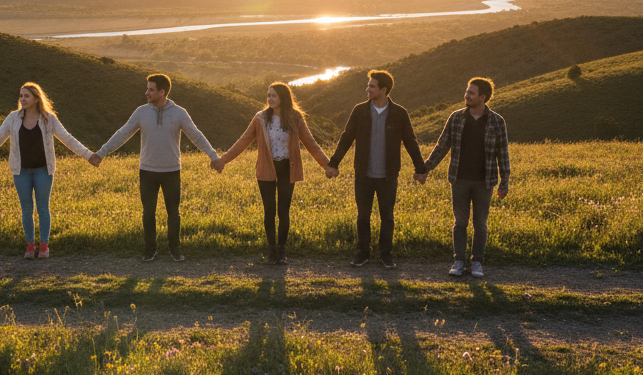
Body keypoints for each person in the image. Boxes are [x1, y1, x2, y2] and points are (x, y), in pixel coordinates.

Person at [89, 73, 219, 261]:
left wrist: (213, 156)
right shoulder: (141, 112)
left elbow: (196, 135)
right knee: (148, 212)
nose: (146, 93)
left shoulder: (179, 113)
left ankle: (175, 248)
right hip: (147, 171)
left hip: (172, 171)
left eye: (151, 89)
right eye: (147, 89)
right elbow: (123, 133)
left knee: (173, 212)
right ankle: (150, 249)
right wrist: (101, 153)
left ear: (162, 91)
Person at [0, 82, 94, 258]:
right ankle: (30, 245)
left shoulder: (48, 119)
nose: (22, 99)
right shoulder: (13, 118)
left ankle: (44, 246)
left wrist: (89, 156)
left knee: (43, 208)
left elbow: (68, 139)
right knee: (26, 209)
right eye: (21, 96)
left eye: (26, 96)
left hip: (44, 170)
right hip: (21, 171)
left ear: (36, 98)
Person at [214, 82, 329, 264]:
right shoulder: (260, 118)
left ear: (283, 97)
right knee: (269, 211)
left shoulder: (295, 117)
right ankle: (271, 251)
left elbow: (310, 142)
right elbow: (243, 140)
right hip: (266, 168)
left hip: (287, 168)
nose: (270, 99)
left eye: (274, 95)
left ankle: (281, 252)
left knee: (284, 211)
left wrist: (327, 165)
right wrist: (223, 160)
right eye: (268, 95)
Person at [325, 69, 426, 269]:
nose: (367, 89)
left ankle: (386, 255)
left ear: (384, 90)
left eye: (371, 86)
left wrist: (420, 169)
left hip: (388, 175)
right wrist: (333, 163)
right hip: (363, 174)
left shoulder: (399, 113)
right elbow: (346, 138)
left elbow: (411, 142)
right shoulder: (359, 111)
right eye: (368, 85)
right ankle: (362, 253)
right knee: (363, 216)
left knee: (387, 216)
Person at [423, 77, 510, 278]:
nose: (466, 95)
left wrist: (504, 182)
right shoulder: (456, 118)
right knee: (460, 222)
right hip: (459, 180)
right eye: (467, 91)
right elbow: (442, 146)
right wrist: (426, 168)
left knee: (480, 223)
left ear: (483, 97)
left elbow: (503, 154)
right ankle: (459, 260)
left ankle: (477, 261)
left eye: (471, 93)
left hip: (484, 182)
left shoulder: (497, 121)